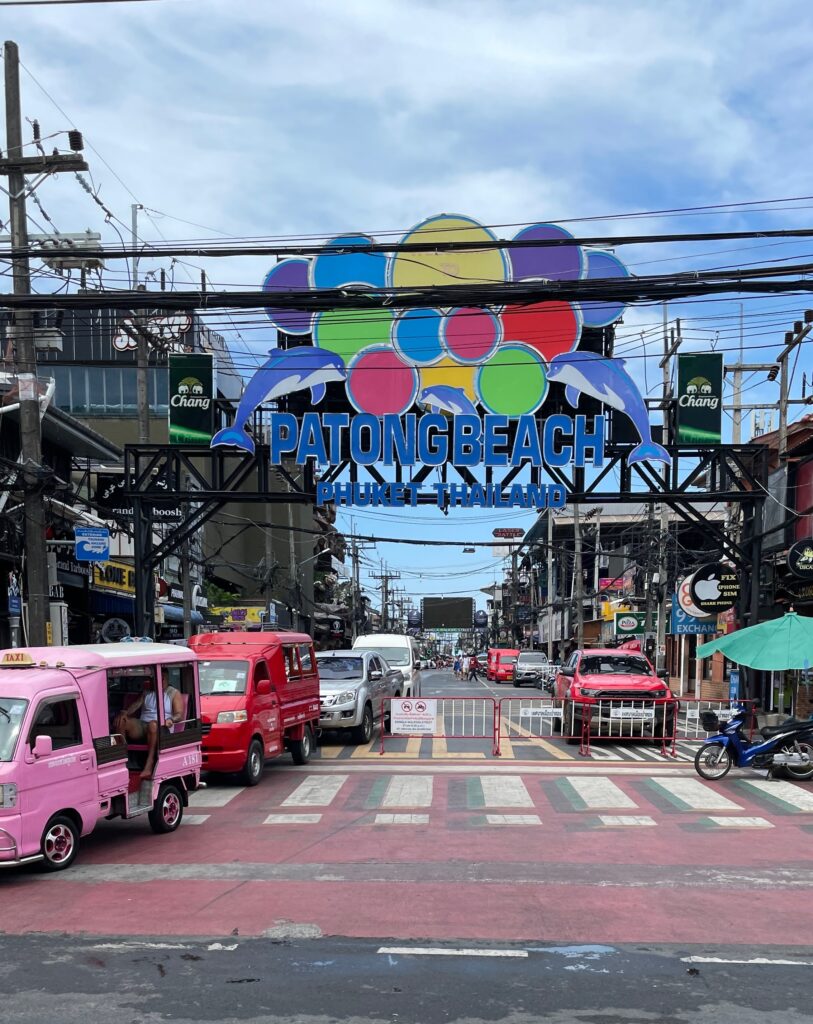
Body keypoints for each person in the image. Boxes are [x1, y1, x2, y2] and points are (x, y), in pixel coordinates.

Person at [113, 676, 184, 779]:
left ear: (167, 679)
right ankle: (121, 760)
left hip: (162, 727)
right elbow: (136, 705)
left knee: (153, 725)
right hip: (143, 724)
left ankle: (149, 764)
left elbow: (179, 714)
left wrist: (171, 720)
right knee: (122, 721)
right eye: (157, 679)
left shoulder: (173, 693)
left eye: (163, 678)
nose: (160, 681)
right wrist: (125, 713)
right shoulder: (147, 692)